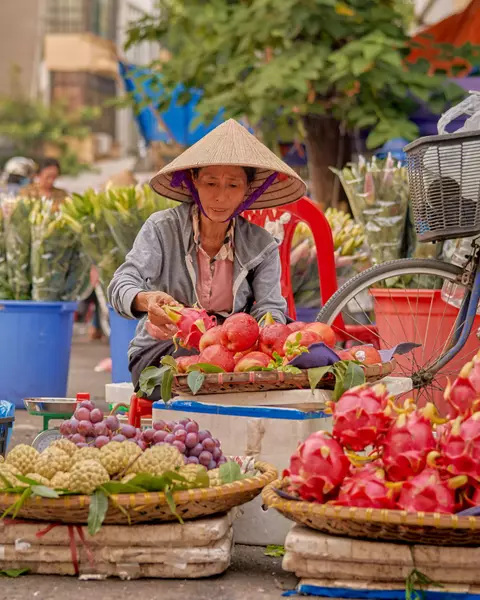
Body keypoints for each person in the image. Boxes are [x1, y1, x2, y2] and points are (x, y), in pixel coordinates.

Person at [108, 119, 306, 396]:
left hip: (229, 362)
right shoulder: (162, 228)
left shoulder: (261, 245)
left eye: (233, 185)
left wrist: (265, 339)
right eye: (211, 183)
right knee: (187, 380)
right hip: (162, 356)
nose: (220, 196)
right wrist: (147, 300)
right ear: (194, 182)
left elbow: (270, 309)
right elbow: (121, 283)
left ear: (247, 191)